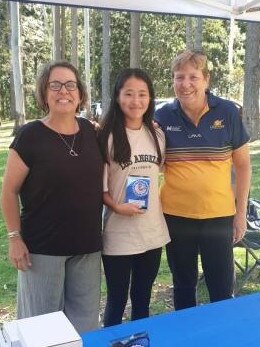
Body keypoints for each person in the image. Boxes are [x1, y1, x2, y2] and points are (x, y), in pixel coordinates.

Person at [1, 61, 103, 333]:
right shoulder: (29, 137)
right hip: (42, 249)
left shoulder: (92, 133)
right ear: (44, 93)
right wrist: (14, 238)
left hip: (88, 247)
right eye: (54, 85)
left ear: (80, 93)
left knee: (85, 328)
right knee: (42, 330)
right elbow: (9, 191)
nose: (63, 91)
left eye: (70, 85)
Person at [155, 50, 251, 310]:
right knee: (183, 286)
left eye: (193, 77)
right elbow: (153, 161)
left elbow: (243, 166)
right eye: (179, 77)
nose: (185, 84)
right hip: (176, 216)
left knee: (221, 289)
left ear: (206, 79)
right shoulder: (162, 117)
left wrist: (240, 214)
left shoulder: (228, 112)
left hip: (218, 215)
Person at [98, 68, 170, 327]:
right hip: (119, 235)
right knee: (116, 301)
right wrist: (117, 206)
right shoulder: (105, 137)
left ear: (150, 98)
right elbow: (100, 189)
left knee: (142, 299)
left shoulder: (157, 135)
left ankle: (141, 342)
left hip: (151, 233)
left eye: (142, 94)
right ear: (117, 97)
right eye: (129, 93)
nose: (136, 100)